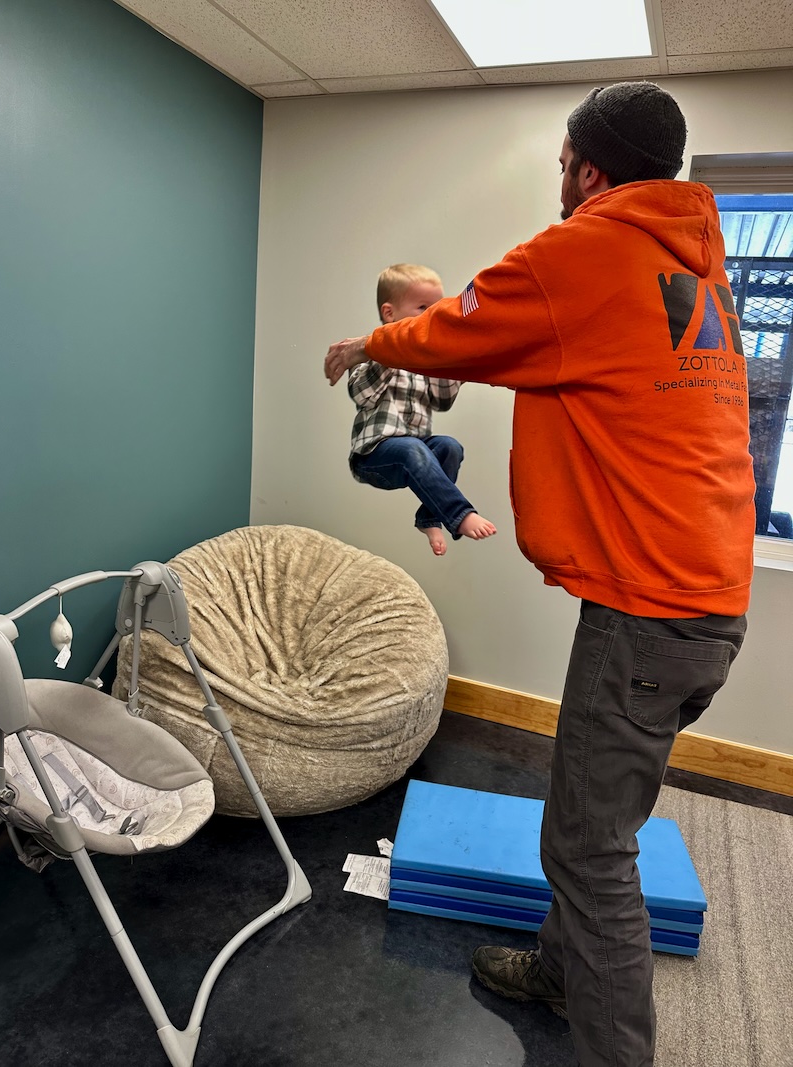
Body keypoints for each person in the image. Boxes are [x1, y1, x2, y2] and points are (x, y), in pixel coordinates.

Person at [325, 81, 755, 1067]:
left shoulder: (585, 248)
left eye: (564, 163)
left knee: (586, 848)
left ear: (590, 170)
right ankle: (563, 969)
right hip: (703, 600)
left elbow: (453, 330)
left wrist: (367, 342)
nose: (559, 180)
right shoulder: (693, 265)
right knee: (597, 816)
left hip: (650, 610)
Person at [346, 263, 496, 556]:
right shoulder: (368, 351)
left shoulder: (423, 360)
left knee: (449, 447)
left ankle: (429, 517)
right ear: (390, 313)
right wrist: (390, 349)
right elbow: (363, 395)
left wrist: (450, 365)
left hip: (416, 450)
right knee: (412, 448)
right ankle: (459, 514)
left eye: (436, 308)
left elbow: (441, 402)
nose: (432, 315)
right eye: (423, 308)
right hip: (374, 455)